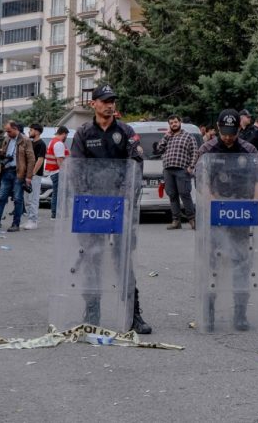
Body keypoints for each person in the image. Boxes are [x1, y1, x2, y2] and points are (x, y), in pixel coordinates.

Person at [70, 84, 151, 334]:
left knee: (123, 261)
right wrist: (88, 200)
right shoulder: (83, 133)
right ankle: (92, 311)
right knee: (92, 259)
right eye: (104, 101)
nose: (109, 105)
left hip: (119, 207)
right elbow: (76, 170)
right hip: (93, 208)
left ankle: (133, 315)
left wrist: (124, 196)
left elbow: (136, 164)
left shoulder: (126, 131)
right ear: (93, 104)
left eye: (112, 100)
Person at [195, 109, 258, 331]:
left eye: (232, 133)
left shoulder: (249, 150)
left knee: (241, 264)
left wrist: (254, 203)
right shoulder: (208, 150)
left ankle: (240, 314)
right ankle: (209, 313)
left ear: (238, 130)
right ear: (218, 127)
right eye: (224, 133)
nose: (228, 137)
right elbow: (201, 182)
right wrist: (213, 203)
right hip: (215, 214)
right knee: (212, 263)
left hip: (241, 215)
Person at [0, 120, 35, 233]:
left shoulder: (25, 140)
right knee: (1, 197)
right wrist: (0, 152)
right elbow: (5, 152)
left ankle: (15, 224)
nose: (7, 133)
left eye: (9, 131)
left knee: (18, 199)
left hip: (19, 173)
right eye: (6, 131)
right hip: (6, 171)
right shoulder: (7, 139)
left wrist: (28, 177)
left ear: (15, 129)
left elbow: (31, 159)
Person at [155, 114, 198, 230]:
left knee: (185, 194)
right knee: (172, 195)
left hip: (182, 170)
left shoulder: (188, 136)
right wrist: (166, 136)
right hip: (168, 170)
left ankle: (192, 220)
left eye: (175, 122)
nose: (174, 124)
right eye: (171, 123)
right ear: (169, 125)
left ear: (180, 122)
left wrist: (191, 166)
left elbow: (195, 152)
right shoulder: (168, 137)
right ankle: (176, 221)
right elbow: (159, 149)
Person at [24, 124, 47, 230]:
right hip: (27, 174)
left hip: (35, 175)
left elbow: (40, 160)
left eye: (31, 130)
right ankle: (28, 219)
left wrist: (32, 173)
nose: (29, 132)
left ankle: (33, 220)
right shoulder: (30, 143)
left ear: (37, 132)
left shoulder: (41, 144)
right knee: (27, 198)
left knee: (33, 198)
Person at [44, 126, 70, 219]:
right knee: (60, 194)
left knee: (57, 193)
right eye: (66, 135)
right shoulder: (59, 144)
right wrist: (65, 172)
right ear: (63, 134)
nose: (66, 137)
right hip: (58, 172)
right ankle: (57, 214)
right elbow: (60, 160)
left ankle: (55, 213)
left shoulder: (52, 141)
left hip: (54, 172)